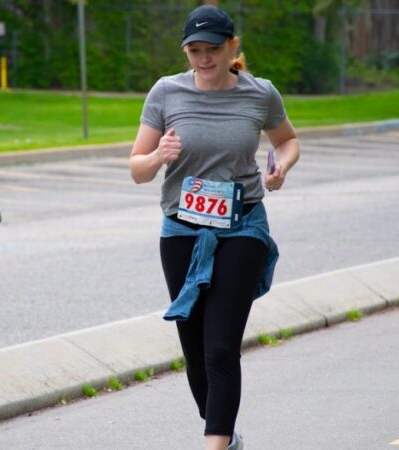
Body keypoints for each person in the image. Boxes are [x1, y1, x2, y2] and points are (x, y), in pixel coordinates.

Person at [129, 5, 300, 450]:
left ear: (232, 48)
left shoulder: (260, 94)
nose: (203, 60)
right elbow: (137, 169)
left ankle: (215, 444)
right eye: (195, 51)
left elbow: (288, 140)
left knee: (221, 347)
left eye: (213, 50)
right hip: (182, 231)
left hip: (242, 227)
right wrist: (158, 157)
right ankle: (225, 433)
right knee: (195, 354)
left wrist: (280, 167)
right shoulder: (166, 92)